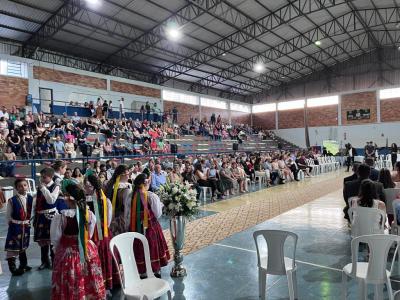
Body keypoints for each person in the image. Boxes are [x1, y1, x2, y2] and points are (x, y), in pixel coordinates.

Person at [50, 182, 106, 300]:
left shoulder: (61, 217)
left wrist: (58, 250)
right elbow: (89, 234)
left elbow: (56, 238)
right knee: (88, 275)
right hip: (87, 250)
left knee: (72, 276)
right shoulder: (89, 214)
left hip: (68, 253)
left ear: (69, 198)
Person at [124, 174, 170, 277]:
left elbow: (127, 214)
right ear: (145, 183)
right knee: (151, 246)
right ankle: (155, 270)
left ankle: (142, 272)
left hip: (135, 227)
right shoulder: (151, 196)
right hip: (150, 228)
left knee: (138, 246)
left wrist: (128, 227)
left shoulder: (130, 196)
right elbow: (157, 213)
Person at [84, 174, 116, 291]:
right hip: (102, 233)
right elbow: (108, 222)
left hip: (97, 234)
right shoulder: (104, 200)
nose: (85, 188)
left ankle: (98, 283)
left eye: (86, 186)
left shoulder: (96, 201)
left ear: (92, 187)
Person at [5, 178, 34, 276]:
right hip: (15, 226)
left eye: (25, 185)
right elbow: (8, 216)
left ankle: (23, 264)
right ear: (16, 188)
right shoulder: (12, 200)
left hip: (25, 226)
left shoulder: (30, 198)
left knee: (23, 246)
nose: (23, 187)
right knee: (12, 246)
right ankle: (13, 269)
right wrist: (13, 225)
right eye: (20, 186)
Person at [34, 167, 61, 270]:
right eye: (41, 177)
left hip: (51, 216)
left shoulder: (56, 187)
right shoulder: (41, 187)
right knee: (42, 240)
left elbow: (51, 201)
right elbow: (37, 203)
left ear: (51, 176)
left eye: (44, 177)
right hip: (40, 216)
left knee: (52, 240)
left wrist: (43, 189)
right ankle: (44, 261)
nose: (42, 179)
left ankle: (54, 260)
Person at [105, 164, 132, 236]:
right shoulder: (126, 188)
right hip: (122, 218)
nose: (128, 175)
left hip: (110, 217)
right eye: (127, 174)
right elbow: (128, 207)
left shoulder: (109, 184)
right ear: (122, 175)